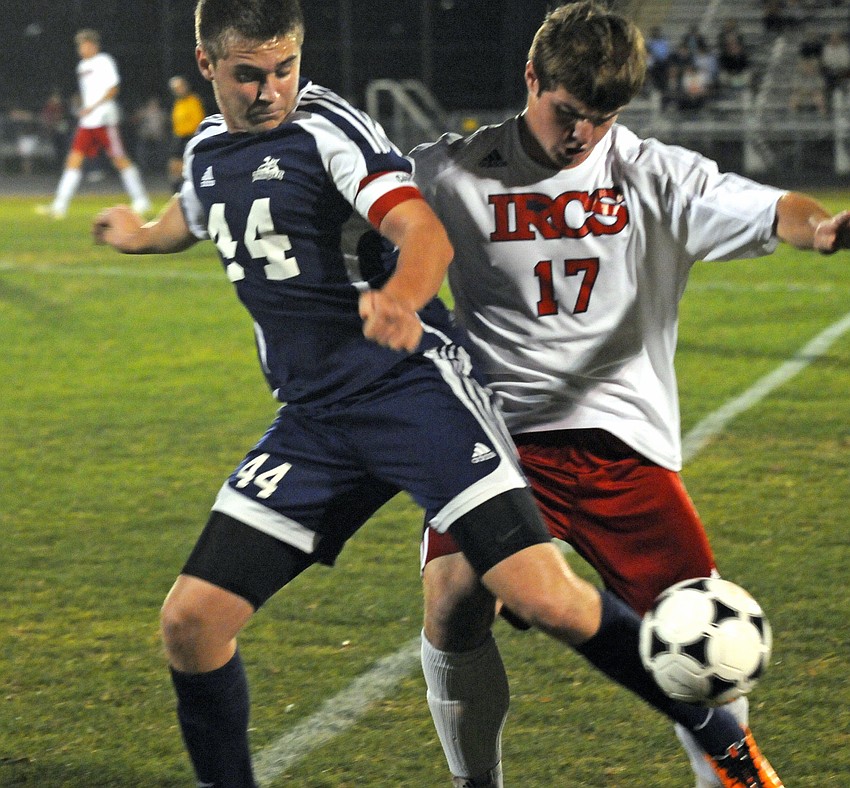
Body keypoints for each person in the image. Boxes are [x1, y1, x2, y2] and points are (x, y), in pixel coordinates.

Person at [92, 2, 797, 787]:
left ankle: (711, 725)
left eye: (284, 69)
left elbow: (423, 230)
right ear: (207, 64)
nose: (270, 91)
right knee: (191, 623)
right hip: (316, 422)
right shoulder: (206, 151)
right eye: (248, 75)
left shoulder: (332, 130)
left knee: (543, 597)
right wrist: (136, 234)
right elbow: (193, 214)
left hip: (413, 393)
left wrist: (401, 297)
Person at [412, 2, 850, 786]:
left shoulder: (652, 174)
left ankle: (735, 773)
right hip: (500, 448)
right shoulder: (451, 171)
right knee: (449, 601)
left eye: (602, 118)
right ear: (532, 79)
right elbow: (361, 206)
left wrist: (817, 230)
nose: (582, 134)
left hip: (623, 446)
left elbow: (772, 206)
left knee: (701, 633)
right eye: (568, 112)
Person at [37, 29, 150, 219]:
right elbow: (88, 93)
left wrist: (93, 107)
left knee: (119, 159)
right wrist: (82, 106)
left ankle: (141, 201)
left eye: (84, 45)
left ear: (93, 45)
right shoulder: (81, 66)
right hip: (87, 122)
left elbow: (113, 89)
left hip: (105, 119)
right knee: (73, 160)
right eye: (79, 46)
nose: (81, 49)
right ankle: (59, 207)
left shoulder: (104, 61)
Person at [168, 75, 205, 193]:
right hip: (179, 137)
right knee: (173, 167)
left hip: (190, 136)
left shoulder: (193, 100)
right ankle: (176, 193)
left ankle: (188, 192)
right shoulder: (178, 103)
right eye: (175, 88)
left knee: (188, 167)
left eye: (179, 87)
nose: (178, 90)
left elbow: (198, 120)